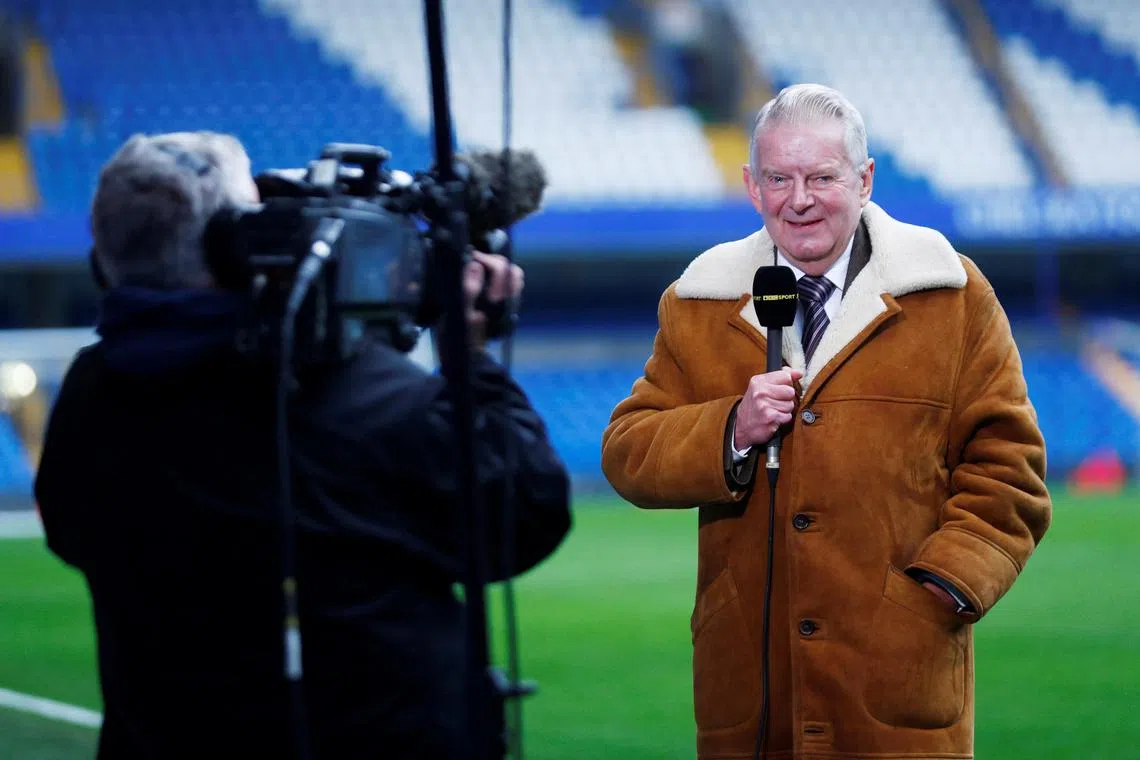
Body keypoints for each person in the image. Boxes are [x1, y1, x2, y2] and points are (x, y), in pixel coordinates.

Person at [34, 131, 572, 759]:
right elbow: (526, 512)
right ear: (234, 248)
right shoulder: (360, 398)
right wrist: (468, 350)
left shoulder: (92, 393)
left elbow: (70, 534)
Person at [601, 84, 1051, 759]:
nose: (799, 199)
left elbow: (1010, 469)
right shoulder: (700, 298)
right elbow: (628, 450)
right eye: (779, 178)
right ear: (753, 187)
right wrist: (732, 428)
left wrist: (941, 591)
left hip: (898, 680)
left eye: (821, 177)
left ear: (865, 179)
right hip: (751, 687)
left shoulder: (951, 294)